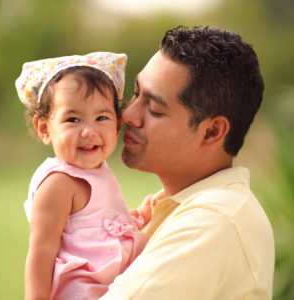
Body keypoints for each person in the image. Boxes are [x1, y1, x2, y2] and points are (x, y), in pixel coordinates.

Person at [100, 26, 275, 299]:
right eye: (135, 94)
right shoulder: (170, 206)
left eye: (155, 110)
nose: (128, 115)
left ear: (212, 132)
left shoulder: (215, 220)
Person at [15, 52, 147, 300]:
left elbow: (93, 225)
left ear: (117, 125)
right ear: (45, 129)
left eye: (101, 118)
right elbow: (41, 254)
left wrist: (134, 216)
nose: (89, 131)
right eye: (72, 119)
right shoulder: (59, 183)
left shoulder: (97, 170)